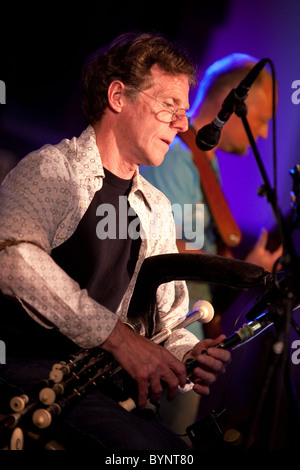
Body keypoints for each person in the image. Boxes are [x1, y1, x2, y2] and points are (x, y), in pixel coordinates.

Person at [0, 32, 230, 451]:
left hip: (102, 394)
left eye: (184, 110)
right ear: (118, 96)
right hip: (30, 375)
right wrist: (118, 338)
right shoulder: (52, 170)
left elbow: (168, 325)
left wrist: (188, 357)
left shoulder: (157, 208)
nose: (183, 123)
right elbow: (12, 259)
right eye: (169, 106)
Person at [142, 53, 283, 339]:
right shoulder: (175, 155)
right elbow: (165, 246)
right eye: (260, 119)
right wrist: (240, 270)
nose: (264, 132)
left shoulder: (205, 162)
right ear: (230, 107)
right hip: (161, 330)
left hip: (187, 328)